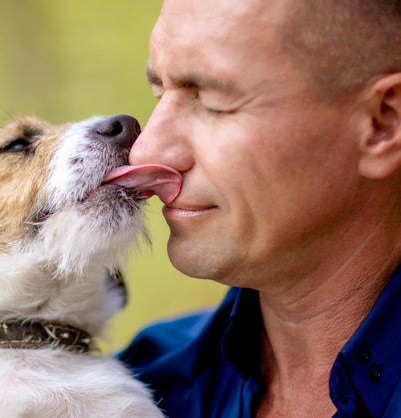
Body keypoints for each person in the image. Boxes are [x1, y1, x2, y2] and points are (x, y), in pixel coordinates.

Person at [118, 0, 401, 417]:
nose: (144, 154)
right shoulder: (141, 390)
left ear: (383, 122)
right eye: (159, 92)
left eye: (213, 101)